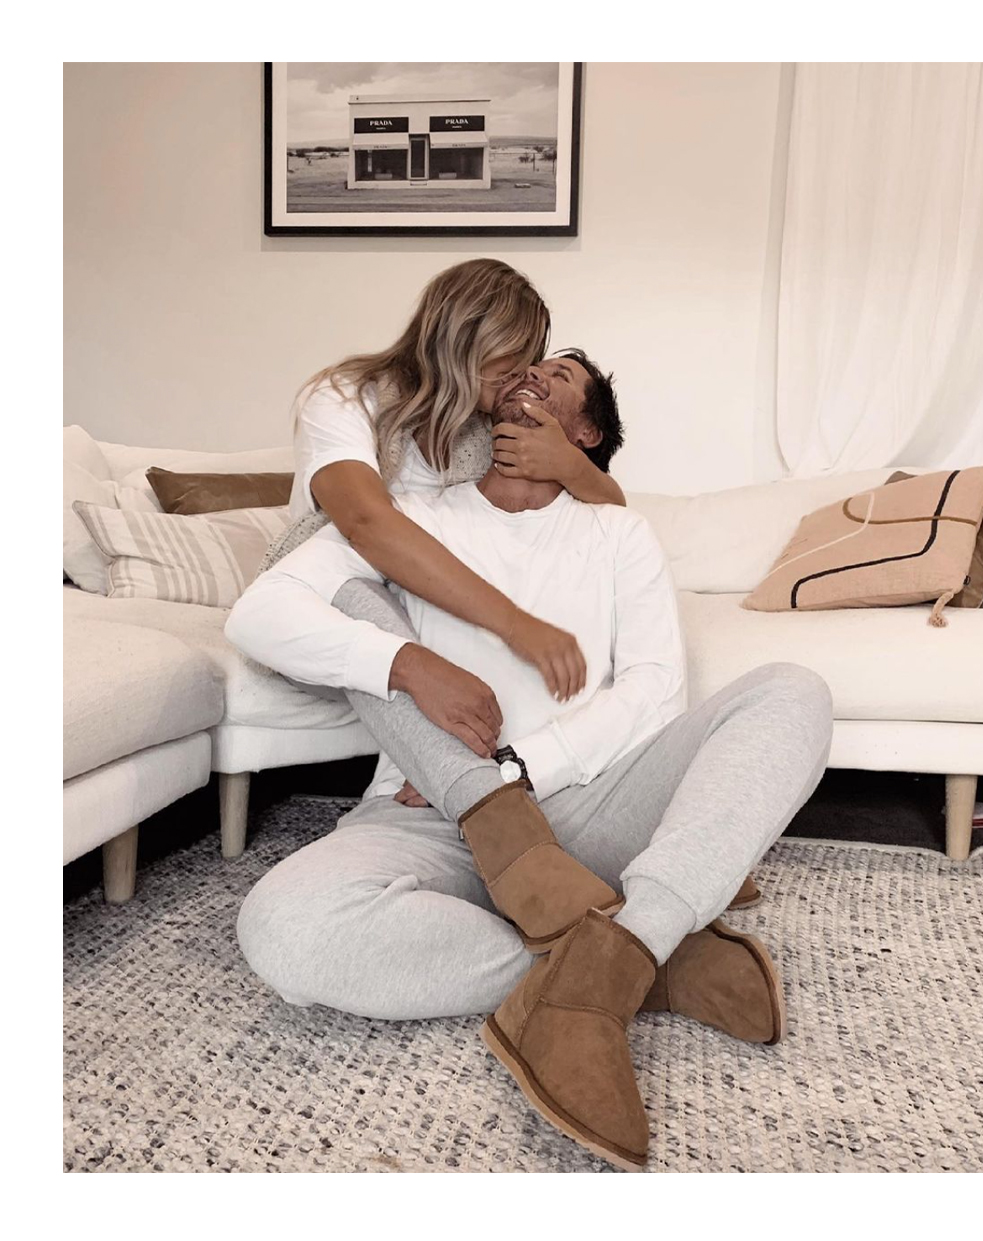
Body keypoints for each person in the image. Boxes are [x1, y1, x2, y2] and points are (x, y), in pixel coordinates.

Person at [226, 351, 834, 1171]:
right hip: (427, 813)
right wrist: (405, 664)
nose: (530, 376)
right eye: (522, 366)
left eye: (559, 377)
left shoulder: (618, 530)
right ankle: (640, 959)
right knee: (285, 930)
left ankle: (617, 944)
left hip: (593, 803)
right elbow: (262, 610)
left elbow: (657, 689)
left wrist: (517, 768)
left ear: (585, 433)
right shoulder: (410, 516)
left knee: (792, 690)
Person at [288, 257, 626, 742]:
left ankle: (463, 769)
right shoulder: (343, 397)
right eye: (515, 356)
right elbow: (366, 524)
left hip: (436, 618)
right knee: (368, 600)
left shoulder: (486, 426)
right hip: (343, 606)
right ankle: (476, 788)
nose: (524, 373)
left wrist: (566, 463)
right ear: (468, 338)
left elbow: (614, 510)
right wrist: (516, 626)